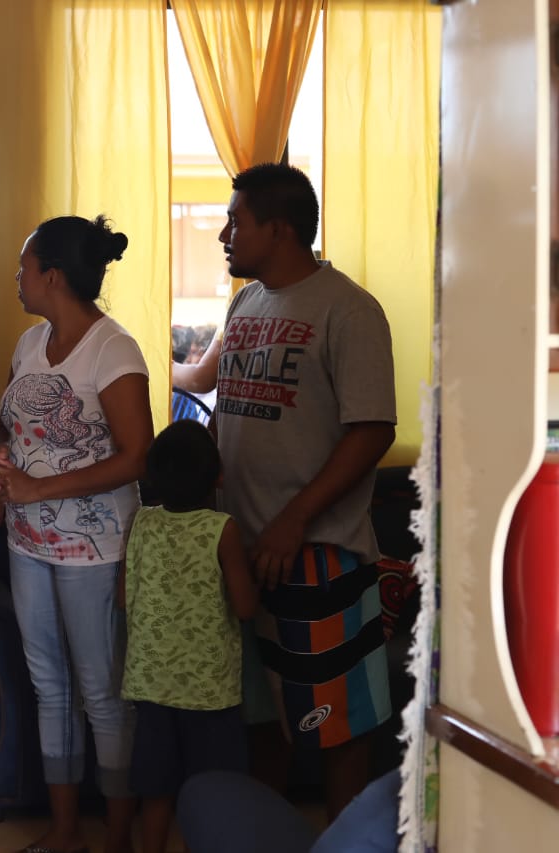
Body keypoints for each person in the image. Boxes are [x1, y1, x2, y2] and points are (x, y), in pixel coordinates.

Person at [214, 162, 396, 819]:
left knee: (337, 719)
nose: (224, 235)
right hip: (246, 550)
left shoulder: (348, 309)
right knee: (265, 714)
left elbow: (372, 430)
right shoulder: (245, 304)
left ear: (280, 229)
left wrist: (295, 518)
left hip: (317, 551)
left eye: (236, 221)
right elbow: (231, 412)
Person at [0, 215, 153, 853]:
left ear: (52, 276)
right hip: (27, 543)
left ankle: (117, 838)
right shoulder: (31, 343)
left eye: (24, 266)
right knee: (49, 686)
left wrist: (36, 490)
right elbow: (8, 425)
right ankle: (64, 832)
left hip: (94, 551)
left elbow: (138, 457)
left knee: (101, 694)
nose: (17, 277)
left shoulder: (114, 351)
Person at [122, 419, 257, 853]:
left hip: (152, 686)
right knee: (214, 791)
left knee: (156, 789)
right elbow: (245, 607)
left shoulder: (141, 523)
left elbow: (124, 597)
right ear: (218, 476)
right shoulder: (222, 530)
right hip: (209, 692)